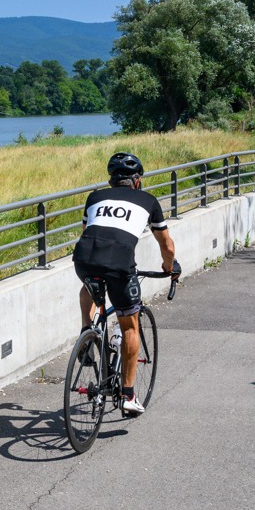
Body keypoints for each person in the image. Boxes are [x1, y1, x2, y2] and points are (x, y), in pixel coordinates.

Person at [73, 150, 179, 417]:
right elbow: (166, 244)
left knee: (88, 286)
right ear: (138, 180)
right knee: (129, 325)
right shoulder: (148, 201)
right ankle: (128, 395)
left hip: (84, 258)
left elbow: (88, 232)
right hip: (120, 264)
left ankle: (87, 334)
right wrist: (170, 267)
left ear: (111, 181)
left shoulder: (94, 197)